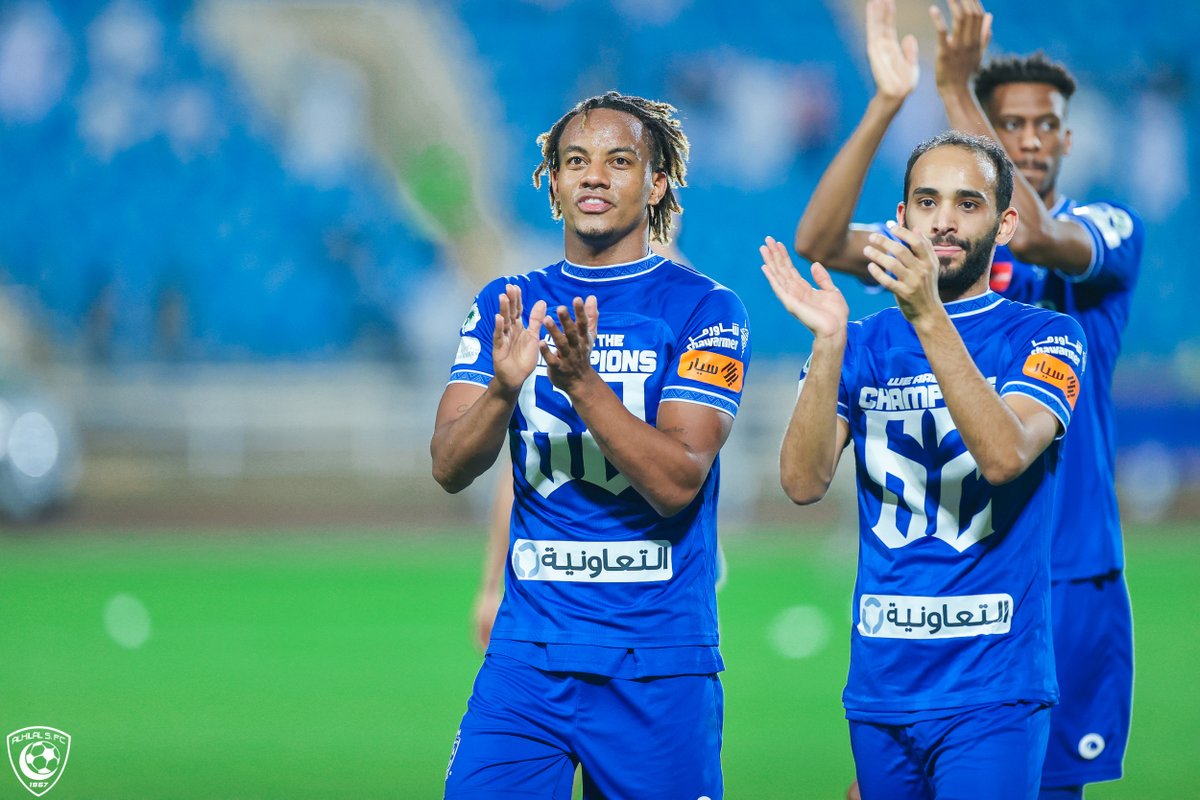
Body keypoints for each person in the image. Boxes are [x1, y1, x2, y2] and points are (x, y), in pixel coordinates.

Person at [795, 4, 1142, 797]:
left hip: (1069, 562)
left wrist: (956, 94)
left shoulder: (1100, 228)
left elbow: (1038, 237)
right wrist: (890, 102)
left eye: (1042, 125)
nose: (1026, 139)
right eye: (1006, 123)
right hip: (941, 578)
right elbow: (818, 243)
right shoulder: (941, 252)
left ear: (1066, 139)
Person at [431, 91, 750, 799]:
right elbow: (449, 465)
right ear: (553, 182)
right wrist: (502, 390)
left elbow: (677, 481)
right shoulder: (506, 303)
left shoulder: (705, 309)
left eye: (618, 161)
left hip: (656, 662)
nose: (594, 176)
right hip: (527, 659)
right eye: (575, 161)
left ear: (656, 183)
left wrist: (581, 384)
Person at [765, 130, 1087, 799]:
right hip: (881, 685)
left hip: (994, 686)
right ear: (902, 217)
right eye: (927, 201)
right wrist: (827, 345)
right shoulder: (862, 343)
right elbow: (801, 482)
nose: (943, 220)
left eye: (967, 204)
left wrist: (928, 315)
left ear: (1004, 225)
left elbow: (1004, 457)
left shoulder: (1046, 335)